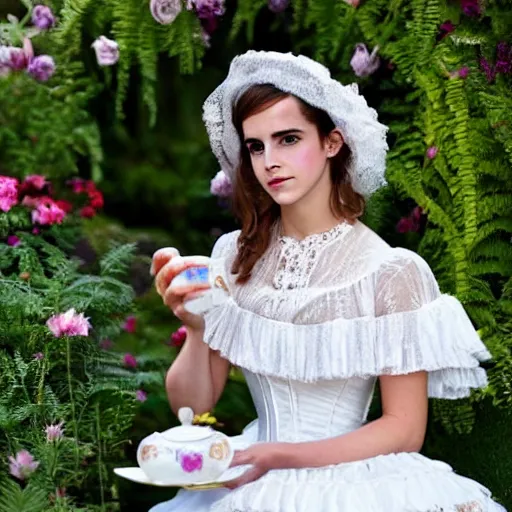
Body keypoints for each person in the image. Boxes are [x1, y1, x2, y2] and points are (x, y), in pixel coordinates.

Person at [149, 50, 506, 512]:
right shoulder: (232, 256)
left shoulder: (392, 272)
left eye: (288, 138)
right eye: (256, 146)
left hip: (353, 484)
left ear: (332, 142)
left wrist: (280, 457)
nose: (269, 161)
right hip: (251, 471)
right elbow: (193, 406)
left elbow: (404, 428)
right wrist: (197, 328)